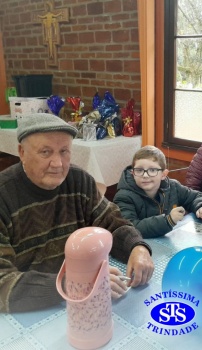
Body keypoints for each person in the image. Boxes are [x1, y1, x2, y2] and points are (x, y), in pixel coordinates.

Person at [0, 113, 154, 313]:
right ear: (21, 152)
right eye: (45, 152)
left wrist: (137, 248)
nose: (58, 163)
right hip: (29, 309)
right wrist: (72, 284)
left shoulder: (79, 181)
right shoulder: (4, 195)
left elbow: (111, 222)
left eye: (64, 151)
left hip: (79, 299)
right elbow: (3, 281)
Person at [113, 145, 202, 238]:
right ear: (133, 173)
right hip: (140, 247)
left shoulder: (173, 186)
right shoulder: (123, 196)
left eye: (152, 170)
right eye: (139, 170)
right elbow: (129, 228)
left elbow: (196, 196)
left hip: (167, 241)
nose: (145, 175)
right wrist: (168, 221)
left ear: (163, 174)